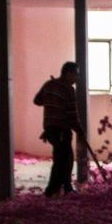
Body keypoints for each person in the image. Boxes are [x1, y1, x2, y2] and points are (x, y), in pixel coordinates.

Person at [33, 62, 82, 197]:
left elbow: (37, 100)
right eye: (76, 74)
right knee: (62, 160)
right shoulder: (68, 89)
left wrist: (52, 97)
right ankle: (52, 190)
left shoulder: (49, 85)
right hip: (61, 129)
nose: (77, 78)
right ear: (68, 74)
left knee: (65, 157)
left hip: (50, 129)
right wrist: (80, 130)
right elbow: (72, 115)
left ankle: (66, 187)